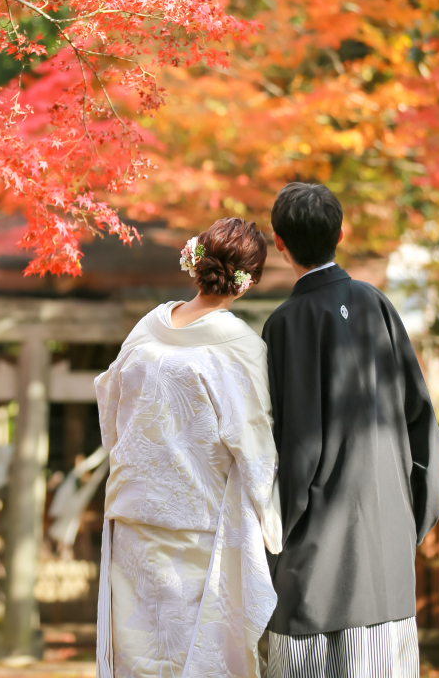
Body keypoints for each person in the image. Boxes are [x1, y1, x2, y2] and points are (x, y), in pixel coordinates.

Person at [262, 182, 439, 678]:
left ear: (279, 242)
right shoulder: (377, 306)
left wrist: (271, 543)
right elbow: (422, 421)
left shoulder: (285, 324)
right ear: (341, 233)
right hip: (387, 565)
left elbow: (293, 448)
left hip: (313, 568)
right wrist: (411, 521)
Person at [95, 217, 283, 678]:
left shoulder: (147, 328)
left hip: (133, 521)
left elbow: (111, 408)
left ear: (194, 261)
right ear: (249, 279)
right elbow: (256, 442)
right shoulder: (239, 346)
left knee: (139, 657)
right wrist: (273, 520)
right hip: (196, 526)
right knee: (194, 658)